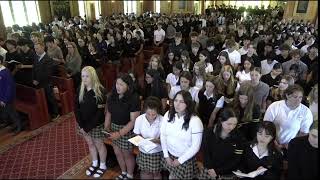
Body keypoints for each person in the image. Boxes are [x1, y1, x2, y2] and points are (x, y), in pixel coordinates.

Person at [104, 73, 141, 180]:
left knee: (126, 154)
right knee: (117, 152)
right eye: (117, 83)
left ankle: (129, 175)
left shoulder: (134, 98)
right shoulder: (113, 95)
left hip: (127, 130)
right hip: (114, 128)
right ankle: (123, 172)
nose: (118, 86)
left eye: (121, 84)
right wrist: (107, 127)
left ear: (128, 85)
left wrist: (119, 133)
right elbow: (109, 113)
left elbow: (133, 121)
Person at [160, 90, 203, 179]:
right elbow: (163, 135)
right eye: (176, 100)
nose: (177, 104)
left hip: (185, 158)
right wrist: (166, 156)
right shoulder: (168, 114)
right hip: (170, 155)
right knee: (171, 176)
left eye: (181, 101)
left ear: (188, 103)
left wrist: (180, 161)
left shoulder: (195, 121)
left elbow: (195, 147)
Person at [264, 84, 313, 159]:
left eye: (300, 97)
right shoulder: (275, 106)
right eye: (295, 97)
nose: (298, 100)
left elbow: (303, 133)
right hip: (270, 142)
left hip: (292, 146)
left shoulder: (306, 112)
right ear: (287, 95)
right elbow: (266, 126)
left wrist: (289, 144)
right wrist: (274, 143)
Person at [75, 66, 107, 178]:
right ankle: (94, 163)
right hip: (83, 124)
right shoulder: (80, 89)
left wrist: (88, 127)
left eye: (87, 76)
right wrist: (81, 125)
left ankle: (102, 165)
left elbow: (99, 113)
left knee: (99, 144)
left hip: (95, 124)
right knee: (90, 144)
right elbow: (76, 108)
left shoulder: (100, 91)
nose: (84, 79)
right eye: (82, 76)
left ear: (93, 76)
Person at [199, 108, 244, 179]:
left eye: (234, 124)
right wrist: (211, 169)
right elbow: (205, 153)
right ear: (221, 121)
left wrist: (218, 171)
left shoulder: (238, 137)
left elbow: (236, 159)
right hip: (209, 171)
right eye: (229, 124)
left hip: (226, 173)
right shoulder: (209, 133)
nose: (231, 127)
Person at [133, 96, 163, 179]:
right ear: (145, 110)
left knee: (156, 173)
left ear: (158, 112)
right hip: (143, 151)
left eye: (153, 114)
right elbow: (137, 135)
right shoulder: (139, 119)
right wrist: (141, 140)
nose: (150, 116)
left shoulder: (163, 120)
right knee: (145, 171)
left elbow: (165, 140)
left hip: (156, 151)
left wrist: (155, 140)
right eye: (148, 114)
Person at [32, 42, 59, 120]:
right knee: (43, 99)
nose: (36, 50)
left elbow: (47, 73)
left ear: (43, 48)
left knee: (50, 98)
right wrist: (34, 79)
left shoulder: (48, 59)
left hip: (46, 82)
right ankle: (48, 112)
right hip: (38, 82)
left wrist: (38, 80)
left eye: (37, 48)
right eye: (35, 48)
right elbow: (34, 69)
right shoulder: (36, 57)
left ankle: (55, 113)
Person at [0, 55, 22, 134]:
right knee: (5, 112)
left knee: (12, 112)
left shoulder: (6, 72)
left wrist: (5, 100)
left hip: (7, 97)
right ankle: (13, 124)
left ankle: (19, 126)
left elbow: (9, 87)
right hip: (1, 97)